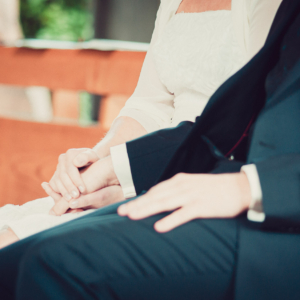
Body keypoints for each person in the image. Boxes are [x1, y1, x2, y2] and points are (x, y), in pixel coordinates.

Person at [1, 0, 300, 299]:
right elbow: (149, 105)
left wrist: (120, 172)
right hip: (156, 165)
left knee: (42, 256)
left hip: (213, 175)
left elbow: (241, 121)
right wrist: (95, 160)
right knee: (9, 243)